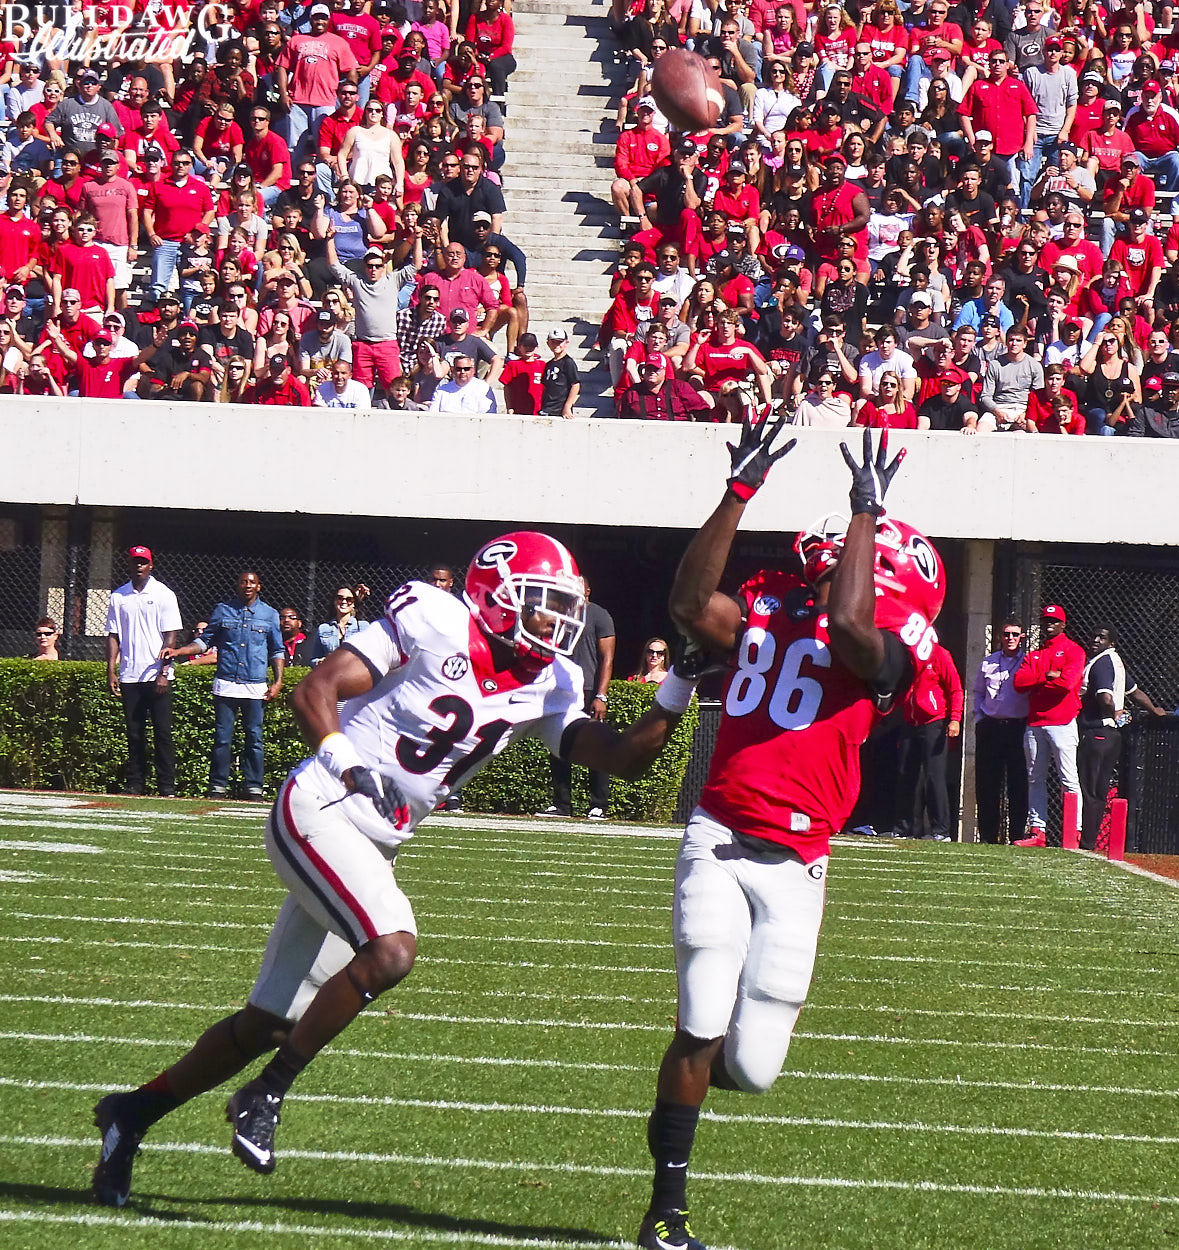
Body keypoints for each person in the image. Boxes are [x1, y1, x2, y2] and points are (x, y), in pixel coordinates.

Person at [91, 531, 701, 1209]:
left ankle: (132, 1114)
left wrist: (679, 685)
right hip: (322, 803)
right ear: (495, 597)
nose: (554, 621)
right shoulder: (434, 619)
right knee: (391, 948)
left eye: (560, 607)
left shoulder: (548, 682)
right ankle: (268, 1093)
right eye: (539, 604)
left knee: (270, 1021)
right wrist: (343, 759)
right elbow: (316, 690)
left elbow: (622, 759)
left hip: (375, 840)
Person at [636, 422, 943, 1250]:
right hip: (721, 837)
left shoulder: (885, 652)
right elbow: (688, 605)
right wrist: (736, 493)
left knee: (754, 1067)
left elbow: (849, 628)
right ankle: (664, 1213)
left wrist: (863, 514)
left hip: (800, 864)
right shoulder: (768, 611)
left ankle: (685, 1086)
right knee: (698, 1020)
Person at [161, 571, 285, 801]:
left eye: (252, 582)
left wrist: (278, 681)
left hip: (255, 685)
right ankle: (217, 787)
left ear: (259, 586)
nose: (247, 585)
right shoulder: (223, 610)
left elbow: (277, 650)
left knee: (254, 738)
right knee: (222, 738)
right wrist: (179, 651)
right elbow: (204, 641)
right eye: (243, 582)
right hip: (226, 683)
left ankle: (254, 788)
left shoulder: (270, 615)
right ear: (237, 585)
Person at [1076, 625, 1166, 851]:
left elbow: (1105, 698)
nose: (1095, 640)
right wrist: (1155, 710)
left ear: (1112, 643)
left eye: (1102, 637)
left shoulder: (1102, 663)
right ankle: (1089, 841)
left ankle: (1086, 843)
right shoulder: (1117, 662)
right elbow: (1134, 692)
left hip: (1097, 731)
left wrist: (1112, 712)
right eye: (1094, 636)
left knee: (1090, 790)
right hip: (1111, 735)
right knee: (1097, 789)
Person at [104, 546, 183, 798]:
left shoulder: (164, 594)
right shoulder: (119, 596)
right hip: (130, 674)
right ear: (129, 564)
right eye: (135, 562)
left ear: (151, 565)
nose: (139, 566)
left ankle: (166, 786)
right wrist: (111, 670)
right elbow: (113, 635)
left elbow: (171, 635)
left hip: (155, 675)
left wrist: (164, 672)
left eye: (143, 562)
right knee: (134, 733)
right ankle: (136, 784)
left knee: (162, 732)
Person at [540, 577, 615, 821]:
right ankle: (562, 804)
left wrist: (601, 695)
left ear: (588, 590)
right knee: (558, 746)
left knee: (596, 745)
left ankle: (599, 804)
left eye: (579, 586)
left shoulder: (600, 615)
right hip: (561, 688)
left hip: (590, 689)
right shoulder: (558, 613)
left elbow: (607, 658)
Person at [1012, 604, 1085, 847]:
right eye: (1045, 620)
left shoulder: (1073, 650)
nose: (1049, 624)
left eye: (1054, 621)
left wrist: (1042, 681)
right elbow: (1020, 682)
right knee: (1035, 778)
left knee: (1068, 778)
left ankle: (1073, 831)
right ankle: (1037, 831)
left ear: (1063, 624)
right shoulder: (1035, 655)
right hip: (1035, 722)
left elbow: (1066, 683)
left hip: (1062, 722)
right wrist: (1046, 676)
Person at [893, 640, 962, 840]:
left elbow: (955, 689)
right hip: (910, 722)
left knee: (934, 776)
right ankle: (905, 828)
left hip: (934, 722)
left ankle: (940, 830)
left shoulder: (940, 654)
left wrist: (955, 719)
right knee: (906, 775)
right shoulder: (907, 656)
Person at [972, 619, 1030, 844]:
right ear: (999, 636)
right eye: (1006, 634)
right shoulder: (988, 662)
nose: (1010, 638)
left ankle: (1016, 835)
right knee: (987, 783)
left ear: (1021, 637)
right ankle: (988, 836)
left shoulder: (1027, 662)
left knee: (1018, 782)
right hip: (990, 727)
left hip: (1018, 727)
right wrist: (979, 717)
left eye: (1015, 634)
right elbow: (977, 691)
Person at [315, 584, 371, 660]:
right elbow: (315, 657)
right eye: (340, 598)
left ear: (354, 604)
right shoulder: (324, 628)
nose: (344, 601)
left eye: (349, 599)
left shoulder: (363, 627)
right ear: (334, 601)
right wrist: (319, 662)